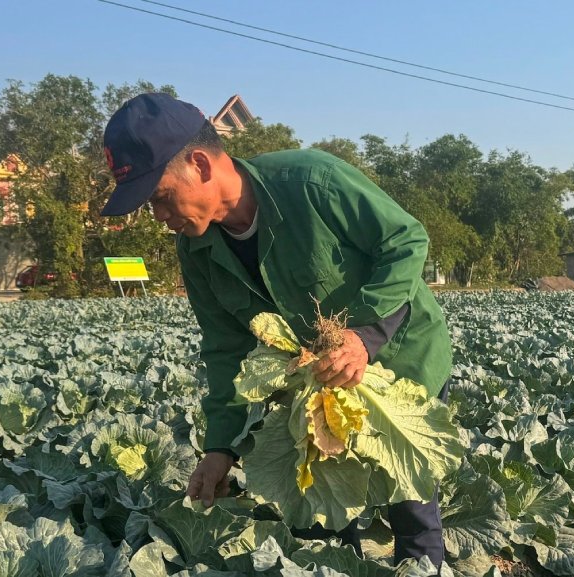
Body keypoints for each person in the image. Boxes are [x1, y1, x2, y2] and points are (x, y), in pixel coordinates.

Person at [100, 92, 453, 567]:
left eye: (160, 198)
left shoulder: (313, 181)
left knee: (410, 505)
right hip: (313, 389)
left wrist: (364, 337)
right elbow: (225, 348)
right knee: (320, 516)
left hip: (401, 362)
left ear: (200, 164)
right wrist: (220, 447)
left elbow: (404, 239)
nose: (160, 218)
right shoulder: (197, 250)